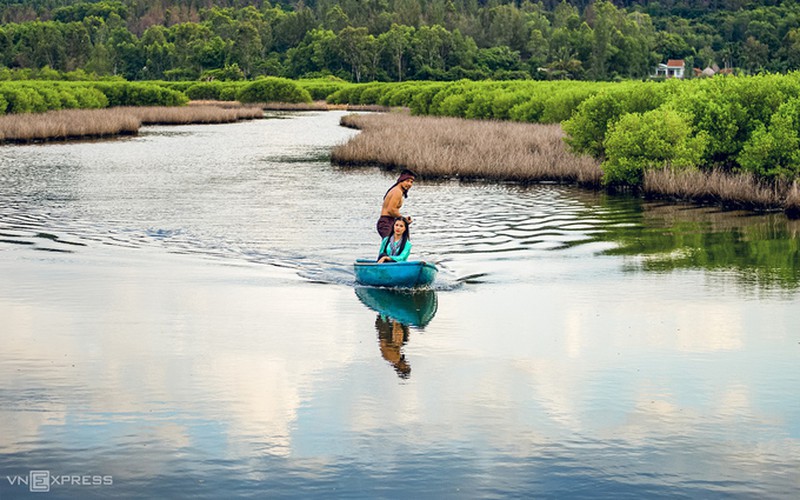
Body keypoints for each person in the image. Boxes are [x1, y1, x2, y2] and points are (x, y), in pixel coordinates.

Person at [376, 169, 416, 238]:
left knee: (396, 246)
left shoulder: (397, 190)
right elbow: (391, 210)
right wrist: (403, 219)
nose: (409, 184)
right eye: (407, 181)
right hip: (386, 223)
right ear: (401, 180)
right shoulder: (397, 191)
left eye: (411, 182)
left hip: (389, 221)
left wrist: (403, 220)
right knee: (390, 247)